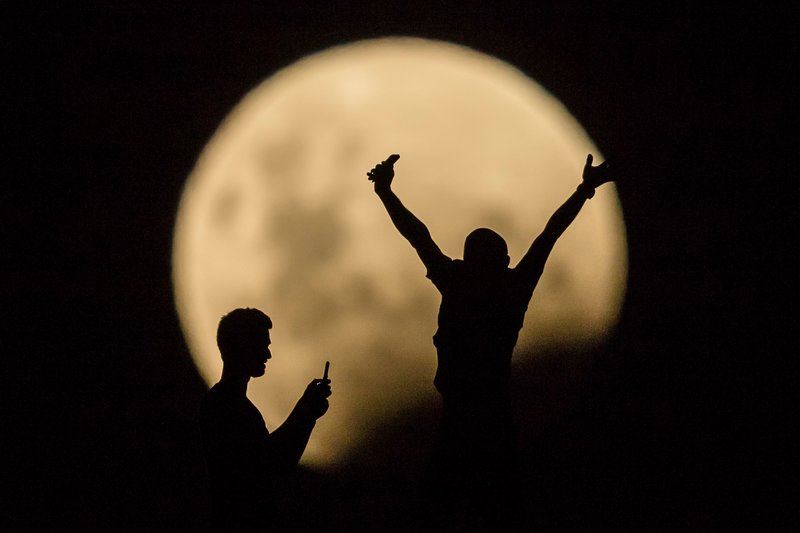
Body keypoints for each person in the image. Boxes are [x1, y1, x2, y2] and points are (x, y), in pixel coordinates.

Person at [368, 153, 614, 527]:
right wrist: (583, 191)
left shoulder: (465, 282)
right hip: (483, 417)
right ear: (502, 260)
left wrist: (385, 192)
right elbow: (548, 235)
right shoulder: (507, 286)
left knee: (457, 505)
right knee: (486, 506)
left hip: (476, 417)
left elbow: (419, 236)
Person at [199, 308, 332, 530]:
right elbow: (269, 468)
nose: (267, 355)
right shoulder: (225, 408)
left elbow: (270, 461)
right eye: (262, 345)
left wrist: (306, 412)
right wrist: (306, 412)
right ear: (242, 346)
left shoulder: (228, 405)